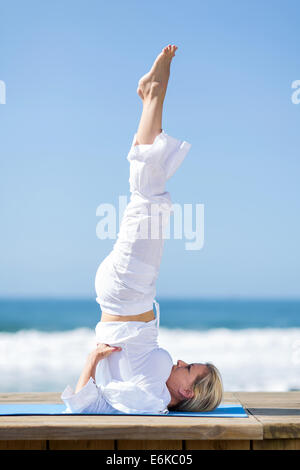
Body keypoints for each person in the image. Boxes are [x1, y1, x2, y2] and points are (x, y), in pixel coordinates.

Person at [61, 45, 223, 415]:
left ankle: (152, 95)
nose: (180, 361)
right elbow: (91, 405)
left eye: (187, 368)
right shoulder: (151, 393)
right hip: (131, 294)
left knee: (148, 199)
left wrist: (91, 361)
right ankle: (151, 100)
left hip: (126, 293)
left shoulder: (149, 402)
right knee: (151, 199)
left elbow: (82, 409)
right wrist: (93, 363)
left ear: (187, 393)